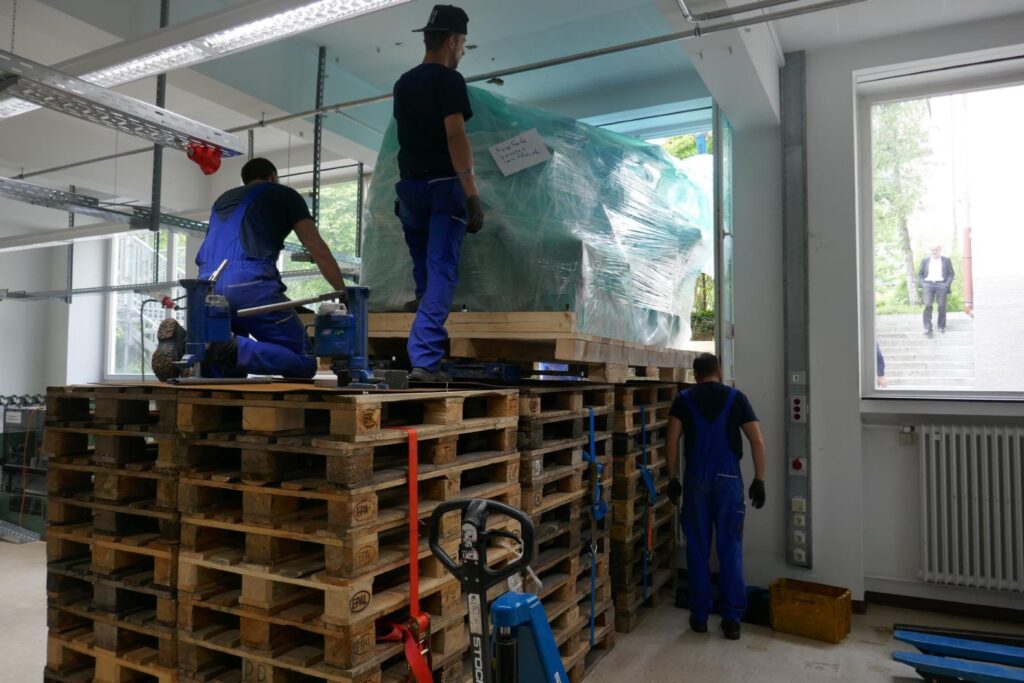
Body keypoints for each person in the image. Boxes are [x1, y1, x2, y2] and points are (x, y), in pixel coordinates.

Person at [151, 157, 347, 381]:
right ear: (273, 177)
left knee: (222, 368)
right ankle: (228, 346)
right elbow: (317, 248)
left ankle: (188, 343)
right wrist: (343, 291)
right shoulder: (283, 193)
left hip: (208, 288)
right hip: (250, 285)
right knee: (303, 362)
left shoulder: (222, 200)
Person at [392, 4, 485, 383]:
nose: (462, 51)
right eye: (462, 44)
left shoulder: (403, 82)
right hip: (443, 189)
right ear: (451, 40)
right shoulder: (449, 81)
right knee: (442, 270)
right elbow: (455, 136)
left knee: (425, 270)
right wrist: (472, 193)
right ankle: (425, 361)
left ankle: (423, 308)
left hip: (409, 189)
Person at [666, 353, 766, 641]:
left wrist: (672, 478)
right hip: (729, 481)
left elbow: (671, 440)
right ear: (719, 372)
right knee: (730, 549)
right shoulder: (737, 399)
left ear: (696, 375)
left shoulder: (683, 400)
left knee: (697, 549)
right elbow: (757, 440)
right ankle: (732, 620)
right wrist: (759, 479)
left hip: (696, 482)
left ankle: (699, 617)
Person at [919, 244, 954, 336]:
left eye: (936, 250)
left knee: (942, 306)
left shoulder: (946, 260)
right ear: (930, 250)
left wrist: (946, 285)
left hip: (941, 284)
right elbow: (920, 274)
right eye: (933, 250)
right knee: (928, 305)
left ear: (940, 250)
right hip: (928, 284)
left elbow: (951, 274)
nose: (934, 251)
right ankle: (928, 328)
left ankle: (941, 326)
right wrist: (923, 284)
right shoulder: (925, 260)